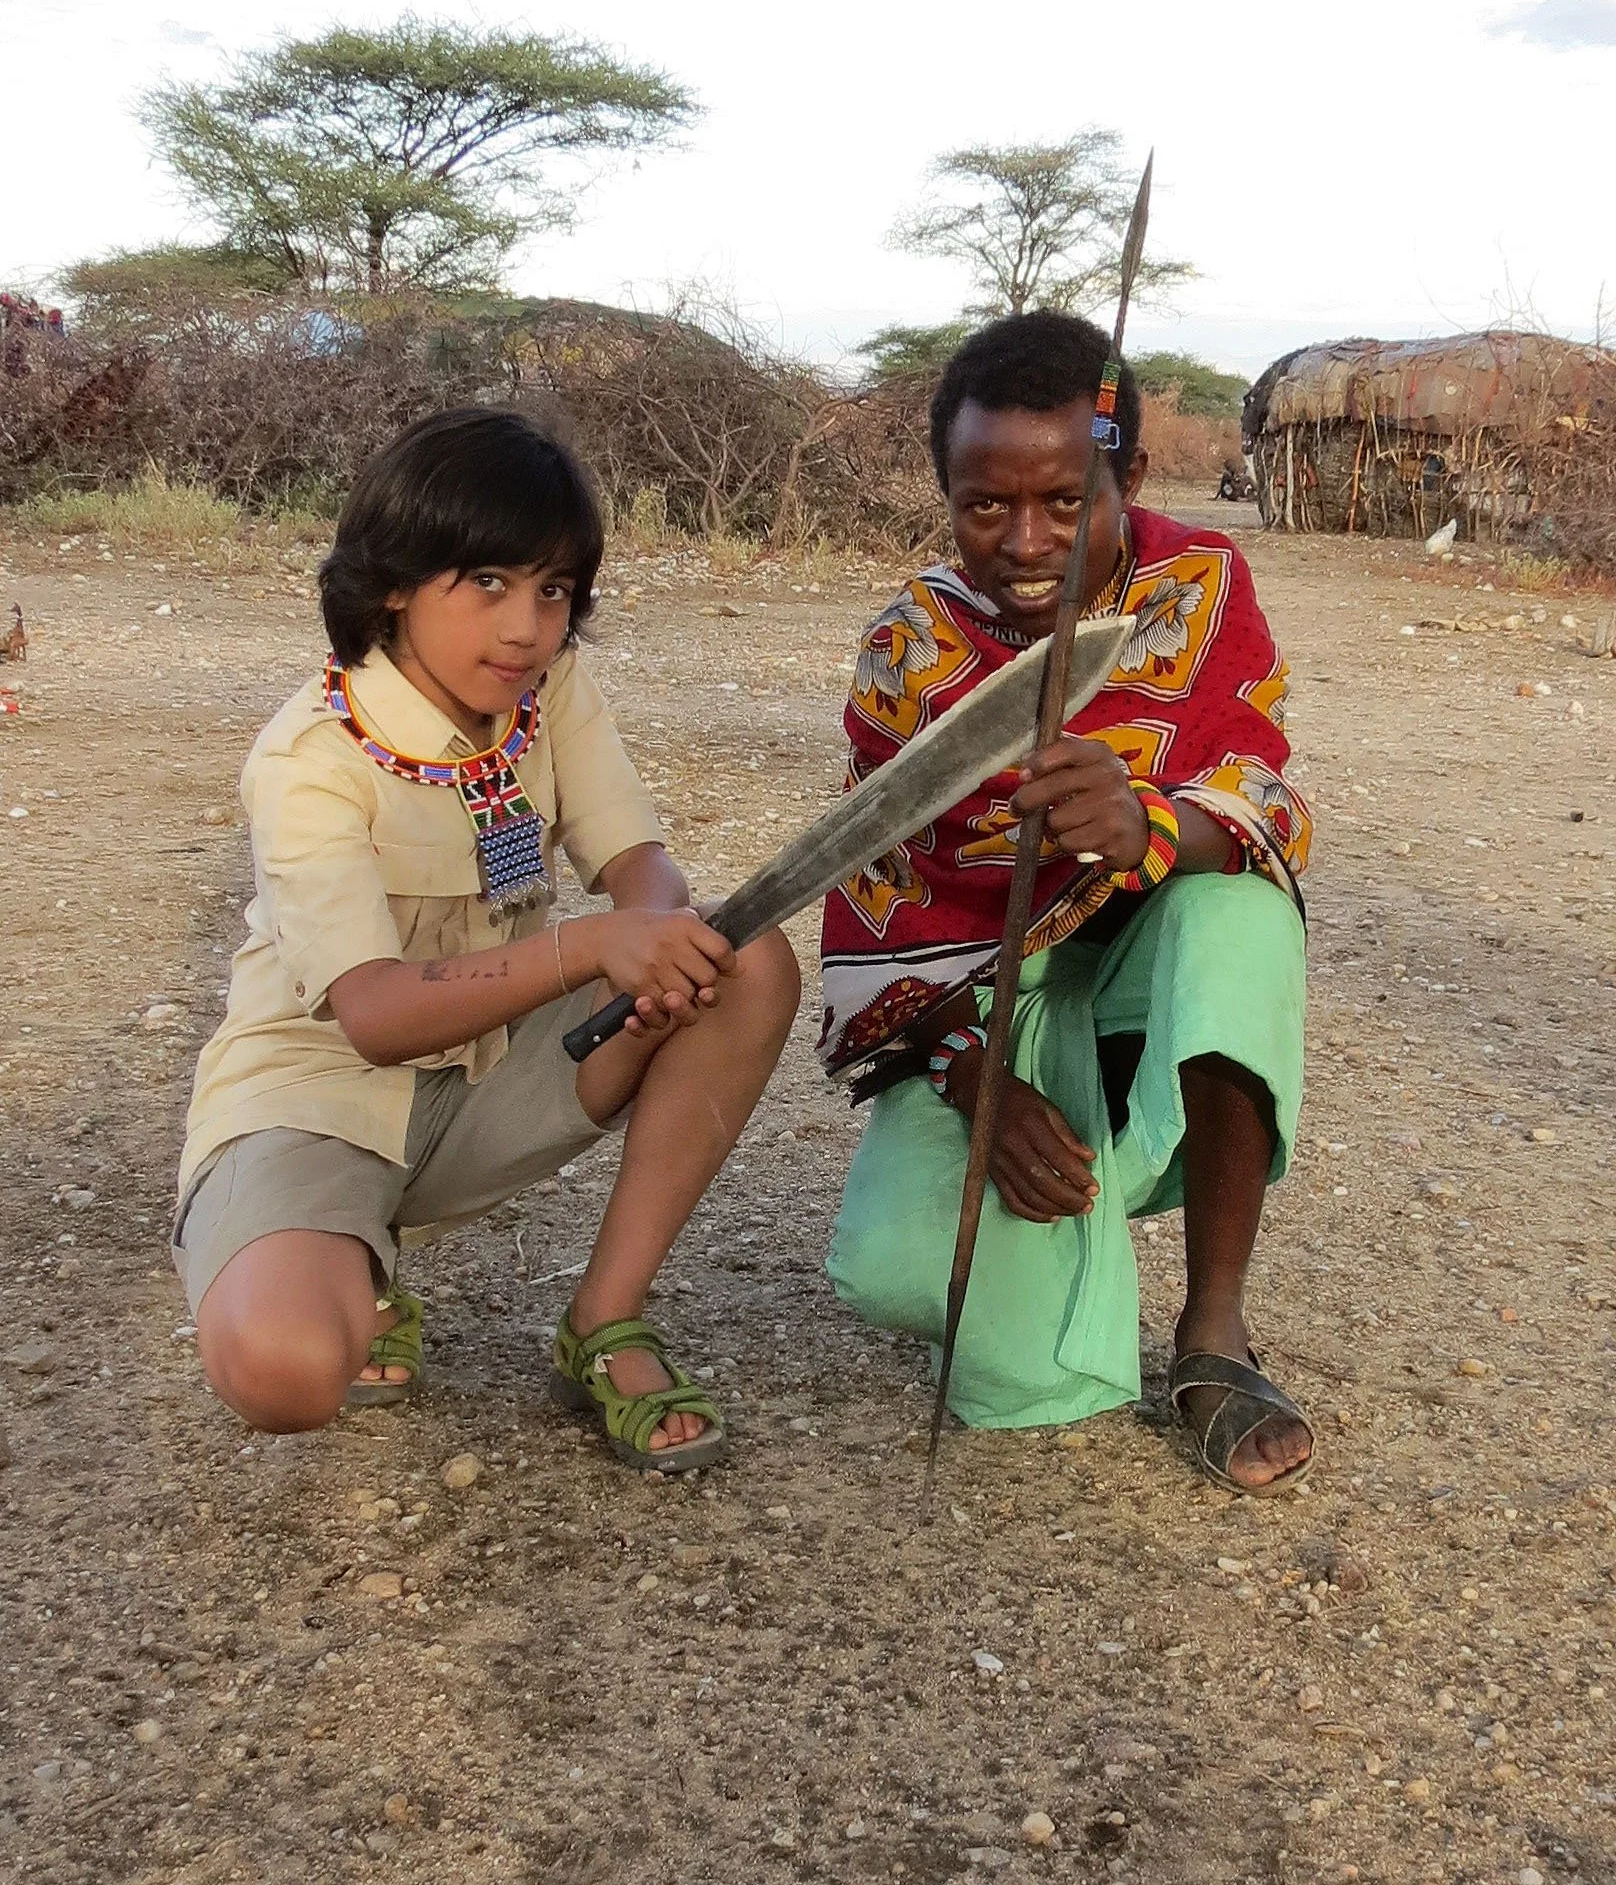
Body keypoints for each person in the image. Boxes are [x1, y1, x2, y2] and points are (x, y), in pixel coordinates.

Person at [175, 407, 799, 1472]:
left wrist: (656, 927)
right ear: (392, 581)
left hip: (492, 1077)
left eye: (552, 589)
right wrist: (596, 944)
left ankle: (601, 1320)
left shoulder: (543, 695)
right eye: (488, 583)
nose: (525, 628)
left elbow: (635, 860)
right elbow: (370, 1015)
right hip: (314, 1099)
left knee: (743, 961)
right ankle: (343, 1264)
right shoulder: (309, 759)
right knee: (283, 1370)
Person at [819, 313, 1314, 1494]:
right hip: (989, 999)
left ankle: (1212, 1331)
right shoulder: (912, 647)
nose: (1024, 541)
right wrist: (974, 1081)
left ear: (1126, 475)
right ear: (945, 489)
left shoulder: (1196, 585)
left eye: (1061, 501)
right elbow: (876, 901)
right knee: (899, 1281)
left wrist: (1151, 824)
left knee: (1240, 909)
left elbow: (1260, 794)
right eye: (984, 504)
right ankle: (1071, 1177)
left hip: (1152, 966)